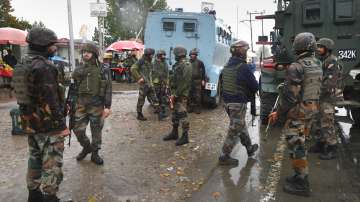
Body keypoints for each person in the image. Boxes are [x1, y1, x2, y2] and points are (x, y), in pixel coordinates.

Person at [13, 27, 70, 202]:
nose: (54, 47)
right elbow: (50, 101)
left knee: (35, 160)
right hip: (48, 127)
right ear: (43, 44)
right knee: (51, 165)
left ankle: (34, 195)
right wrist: (62, 127)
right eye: (52, 44)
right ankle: (49, 198)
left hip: (30, 123)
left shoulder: (22, 64)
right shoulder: (44, 66)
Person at [268, 32, 322, 196]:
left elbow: (291, 97)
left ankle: (302, 183)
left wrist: (279, 113)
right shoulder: (317, 63)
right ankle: (299, 176)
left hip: (299, 112)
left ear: (298, 47)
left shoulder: (296, 66)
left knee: (296, 144)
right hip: (312, 109)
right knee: (302, 142)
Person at [218, 40, 259, 166]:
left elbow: (221, 85)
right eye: (245, 51)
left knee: (240, 125)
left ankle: (249, 148)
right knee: (235, 129)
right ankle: (225, 155)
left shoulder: (226, 66)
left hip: (227, 103)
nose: (246, 53)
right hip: (237, 103)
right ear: (242, 52)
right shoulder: (243, 67)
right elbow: (255, 86)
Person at [72, 42, 112, 166]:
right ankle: (86, 147)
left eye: (88, 52)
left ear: (94, 53)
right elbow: (73, 88)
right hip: (81, 105)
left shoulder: (103, 68)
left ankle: (95, 153)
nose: (85, 54)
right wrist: (71, 104)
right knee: (77, 129)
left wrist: (107, 107)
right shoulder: (78, 69)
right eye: (84, 52)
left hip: (97, 105)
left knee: (96, 132)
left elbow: (108, 88)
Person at [310, 38, 342, 160]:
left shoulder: (333, 61)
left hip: (327, 97)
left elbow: (330, 84)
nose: (318, 49)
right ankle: (320, 144)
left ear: (327, 48)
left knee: (327, 122)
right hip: (320, 97)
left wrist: (315, 92)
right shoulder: (322, 60)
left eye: (321, 47)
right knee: (318, 121)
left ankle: (332, 148)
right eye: (317, 46)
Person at [163, 46, 192, 146]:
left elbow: (185, 82)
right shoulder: (177, 65)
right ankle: (174, 132)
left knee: (182, 115)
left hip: (181, 94)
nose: (174, 56)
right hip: (175, 93)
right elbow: (173, 77)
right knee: (175, 114)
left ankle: (185, 136)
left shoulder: (186, 65)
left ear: (179, 54)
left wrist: (176, 94)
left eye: (175, 54)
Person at [131, 48, 159, 121]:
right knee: (141, 100)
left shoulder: (150, 62)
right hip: (144, 85)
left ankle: (159, 112)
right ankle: (139, 114)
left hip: (150, 84)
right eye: (152, 55)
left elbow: (151, 72)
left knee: (154, 98)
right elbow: (133, 68)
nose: (153, 56)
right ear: (148, 55)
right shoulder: (141, 61)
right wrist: (139, 78)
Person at [152, 49, 169, 120]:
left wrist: (167, 83)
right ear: (159, 55)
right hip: (156, 84)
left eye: (164, 55)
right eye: (162, 55)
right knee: (157, 98)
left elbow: (167, 73)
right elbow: (153, 73)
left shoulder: (165, 63)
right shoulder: (154, 63)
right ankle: (160, 114)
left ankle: (162, 112)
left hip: (163, 83)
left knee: (163, 98)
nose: (164, 57)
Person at [188, 48, 206, 114]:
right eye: (191, 54)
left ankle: (198, 108)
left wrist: (203, 80)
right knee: (189, 95)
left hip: (197, 81)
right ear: (189, 55)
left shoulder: (200, 62)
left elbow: (203, 71)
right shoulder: (187, 62)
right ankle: (190, 107)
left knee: (198, 96)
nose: (192, 55)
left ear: (196, 55)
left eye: (194, 54)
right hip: (189, 81)